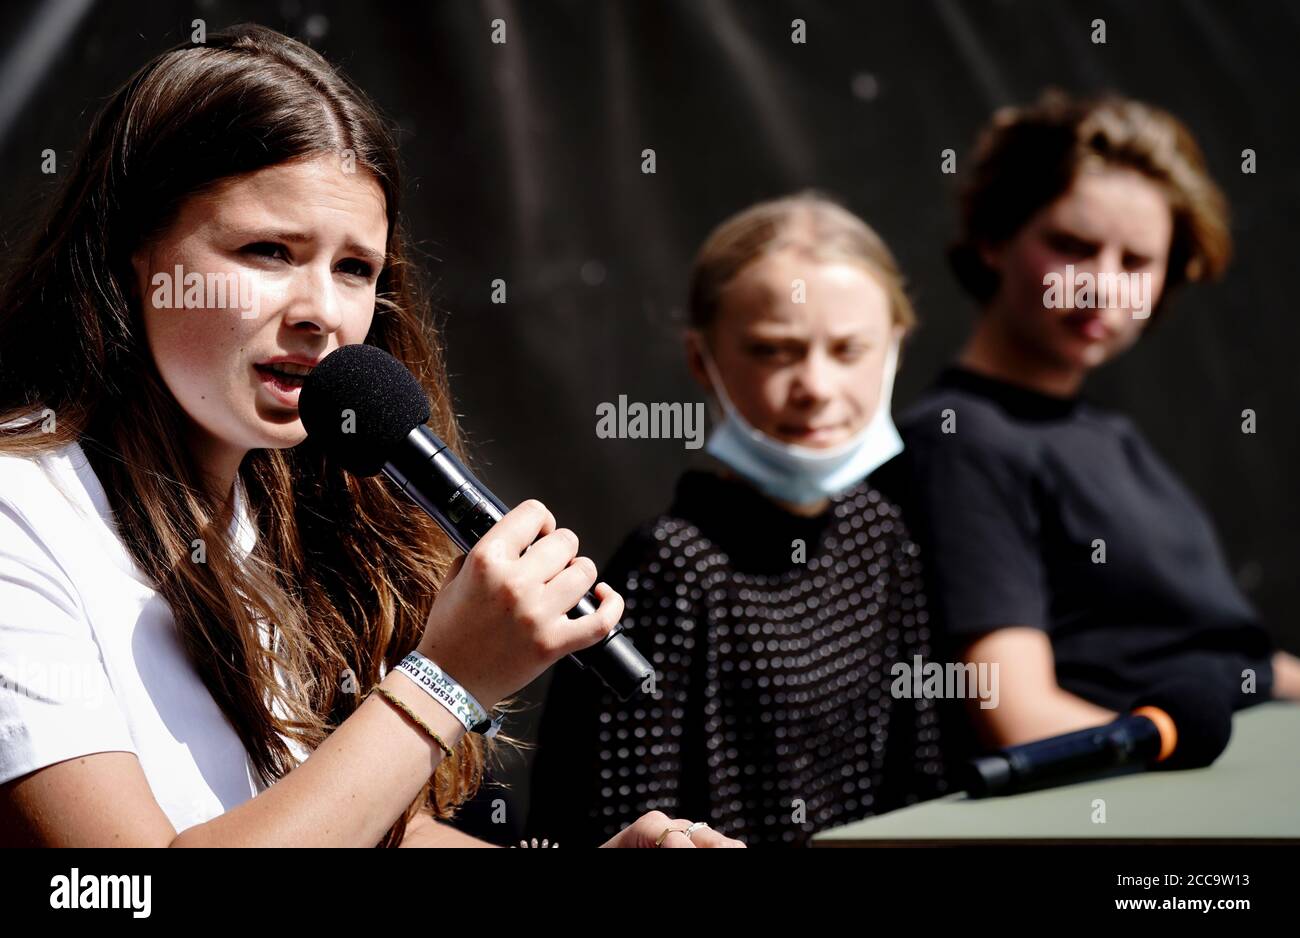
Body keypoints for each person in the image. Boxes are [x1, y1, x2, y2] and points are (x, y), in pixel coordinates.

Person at [0, 24, 741, 849]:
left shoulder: (282, 505)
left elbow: (368, 836)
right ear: (134, 253)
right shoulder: (19, 510)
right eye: (268, 250)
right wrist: (443, 683)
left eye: (356, 268)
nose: (322, 312)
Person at [878, 91, 1300, 760]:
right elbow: (1020, 718)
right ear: (994, 239)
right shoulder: (960, 441)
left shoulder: (1106, 433)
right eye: (1072, 247)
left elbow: (1232, 658)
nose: (1103, 286)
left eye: (1136, 263)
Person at [528, 192, 946, 848]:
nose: (815, 385)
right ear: (703, 361)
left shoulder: (880, 532)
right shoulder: (671, 565)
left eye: (848, 350)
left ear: (893, 348)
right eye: (775, 351)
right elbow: (618, 817)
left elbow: (920, 768)